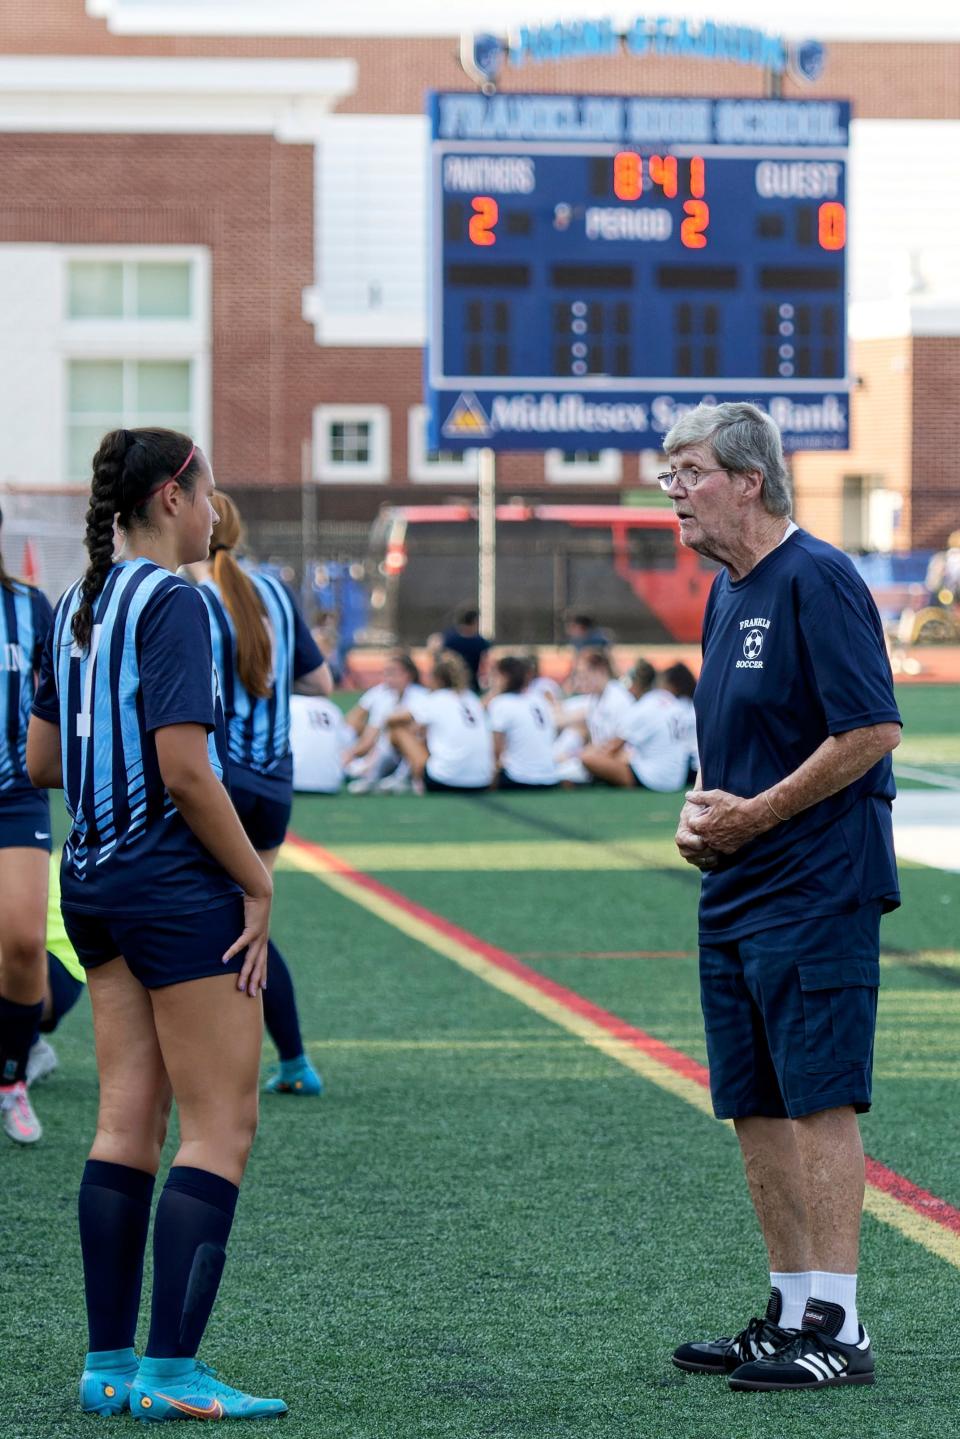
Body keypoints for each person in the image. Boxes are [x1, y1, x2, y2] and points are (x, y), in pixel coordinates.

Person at [27, 428, 286, 1421]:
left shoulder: (80, 601)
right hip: (170, 884)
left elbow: (44, 758)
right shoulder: (176, 598)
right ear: (174, 494)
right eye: (208, 484)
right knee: (222, 1126)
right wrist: (254, 877)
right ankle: (173, 1372)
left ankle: (107, 1365)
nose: (216, 505)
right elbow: (185, 768)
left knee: (124, 1119)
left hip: (89, 876)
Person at [661, 402, 901, 1393]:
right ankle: (791, 1305)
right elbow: (735, 746)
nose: (670, 488)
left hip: (815, 884)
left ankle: (839, 1324)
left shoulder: (820, 577)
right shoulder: (728, 591)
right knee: (754, 1103)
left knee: (817, 1097)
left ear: (748, 481)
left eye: (688, 471)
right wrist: (700, 817)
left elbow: (871, 730)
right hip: (739, 884)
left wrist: (754, 814)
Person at [193, 493, 330, 1099]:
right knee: (254, 920)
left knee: (200, 920)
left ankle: (217, 1065)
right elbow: (321, 682)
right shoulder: (273, 588)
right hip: (275, 784)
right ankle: (294, 1060)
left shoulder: (191, 596)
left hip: (221, 780)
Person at [0, 506, 55, 1145]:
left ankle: (11, 1077)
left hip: (15, 794)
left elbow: (54, 695)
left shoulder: (28, 605)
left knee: (21, 945)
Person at [387, 651, 493, 794]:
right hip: (483, 781)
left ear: (438, 679)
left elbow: (393, 719)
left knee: (397, 730)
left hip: (444, 780)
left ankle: (405, 778)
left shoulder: (435, 699)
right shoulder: (472, 698)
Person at [581, 659, 689, 791]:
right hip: (677, 778)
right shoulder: (669, 700)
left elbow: (611, 750)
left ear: (636, 685)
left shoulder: (643, 708)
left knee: (587, 757)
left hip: (654, 778)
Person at [343, 652, 426, 794]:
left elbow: (421, 731)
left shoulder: (421, 695)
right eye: (386, 673)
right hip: (385, 752)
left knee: (398, 730)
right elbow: (362, 728)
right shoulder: (382, 695)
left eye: (393, 672)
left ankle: (395, 777)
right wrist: (350, 754)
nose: (388, 678)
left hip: (413, 753)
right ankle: (373, 775)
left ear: (408, 675)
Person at [554, 649, 633, 784]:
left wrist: (581, 756)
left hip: (620, 761)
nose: (580, 681)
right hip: (601, 757)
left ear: (600, 671)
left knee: (558, 774)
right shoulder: (594, 698)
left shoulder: (619, 699)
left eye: (584, 676)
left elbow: (620, 745)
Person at [486, 656, 558, 789]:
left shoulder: (500, 703)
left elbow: (496, 751)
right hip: (549, 777)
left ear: (505, 677)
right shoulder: (538, 700)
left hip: (519, 778)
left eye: (495, 676)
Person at [289, 694, 353, 794]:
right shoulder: (331, 708)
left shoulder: (287, 703)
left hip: (290, 783)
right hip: (331, 786)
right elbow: (347, 743)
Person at [661, 661, 700, 784]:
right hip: (700, 766)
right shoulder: (697, 704)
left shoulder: (673, 707)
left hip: (684, 766)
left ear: (674, 685)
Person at [440, 606, 491, 693]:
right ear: (475, 622)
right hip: (471, 683)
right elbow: (485, 665)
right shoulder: (481, 643)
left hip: (451, 683)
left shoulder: (449, 639)